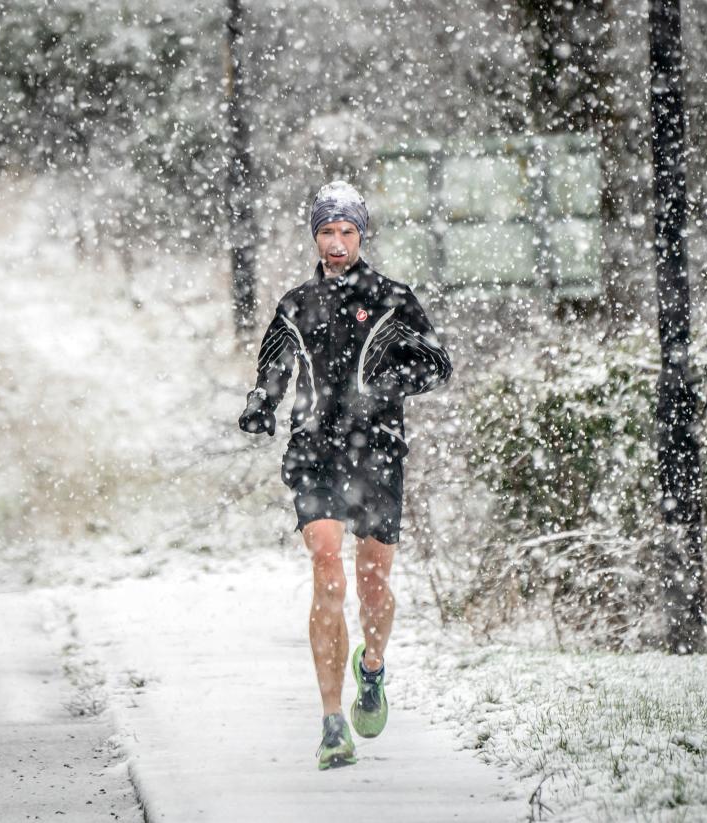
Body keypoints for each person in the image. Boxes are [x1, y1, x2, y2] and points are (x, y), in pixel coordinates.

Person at [238, 180, 452, 770]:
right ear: (314, 236)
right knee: (327, 570)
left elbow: (438, 364)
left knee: (373, 582)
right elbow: (272, 369)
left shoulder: (392, 298)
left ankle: (373, 667)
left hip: (378, 453)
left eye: (346, 232)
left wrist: (388, 377)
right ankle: (333, 720)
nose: (336, 243)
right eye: (326, 232)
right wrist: (261, 404)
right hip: (315, 453)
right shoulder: (295, 304)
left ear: (362, 234)